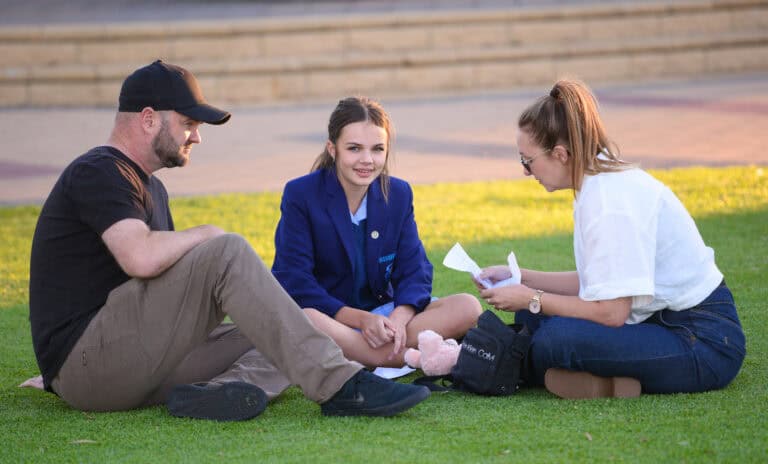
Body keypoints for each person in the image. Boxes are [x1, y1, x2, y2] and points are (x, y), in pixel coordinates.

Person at [28, 60, 430, 421]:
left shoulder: (151, 188)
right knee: (227, 250)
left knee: (290, 331)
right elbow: (140, 259)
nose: (196, 137)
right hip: (94, 364)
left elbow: (156, 291)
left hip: (126, 361)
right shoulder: (99, 171)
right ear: (149, 119)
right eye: (188, 123)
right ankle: (342, 387)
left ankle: (220, 393)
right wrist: (209, 235)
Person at [476, 79, 746, 399]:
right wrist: (519, 279)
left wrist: (532, 298)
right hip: (660, 322)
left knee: (554, 338)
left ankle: (519, 365)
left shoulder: (608, 203)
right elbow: (600, 282)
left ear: (561, 154)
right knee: (533, 319)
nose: (525, 171)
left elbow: (611, 312)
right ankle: (582, 376)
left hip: (703, 343)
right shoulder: (596, 184)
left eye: (527, 160)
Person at [272, 96, 482, 369]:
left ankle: (368, 354)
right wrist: (361, 320)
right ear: (332, 149)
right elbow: (294, 280)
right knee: (306, 319)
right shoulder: (301, 194)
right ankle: (398, 357)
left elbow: (415, 269)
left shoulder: (398, 193)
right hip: (332, 318)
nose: (367, 160)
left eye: (377, 149)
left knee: (468, 307)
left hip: (384, 317)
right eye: (354, 149)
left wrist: (398, 319)